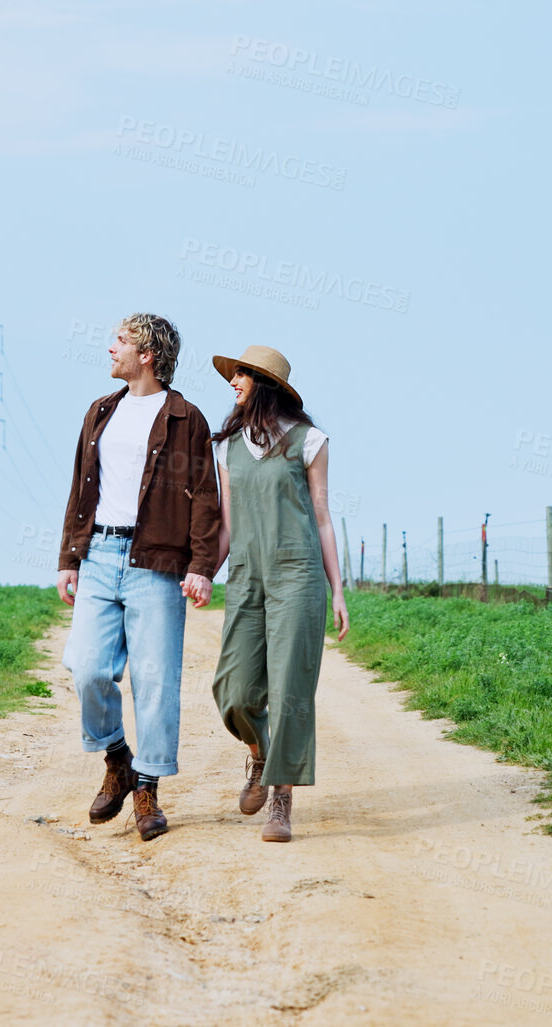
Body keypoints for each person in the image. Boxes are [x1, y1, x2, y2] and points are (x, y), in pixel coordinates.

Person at [56, 313, 219, 842]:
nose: (111, 349)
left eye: (121, 341)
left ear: (147, 353)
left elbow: (205, 496)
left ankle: (147, 788)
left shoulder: (184, 417)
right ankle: (118, 758)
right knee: (86, 667)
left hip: (157, 562)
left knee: (154, 680)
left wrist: (201, 566)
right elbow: (81, 488)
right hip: (100, 554)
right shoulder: (100, 411)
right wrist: (68, 557)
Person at [207, 345, 348, 843]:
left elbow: (324, 519)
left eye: (241, 375)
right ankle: (260, 752)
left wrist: (338, 591)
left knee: (291, 690)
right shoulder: (227, 446)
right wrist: (203, 571)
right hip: (246, 576)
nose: (233, 382)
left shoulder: (310, 442)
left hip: (298, 575)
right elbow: (226, 525)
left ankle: (281, 798)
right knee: (235, 691)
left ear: (264, 384)